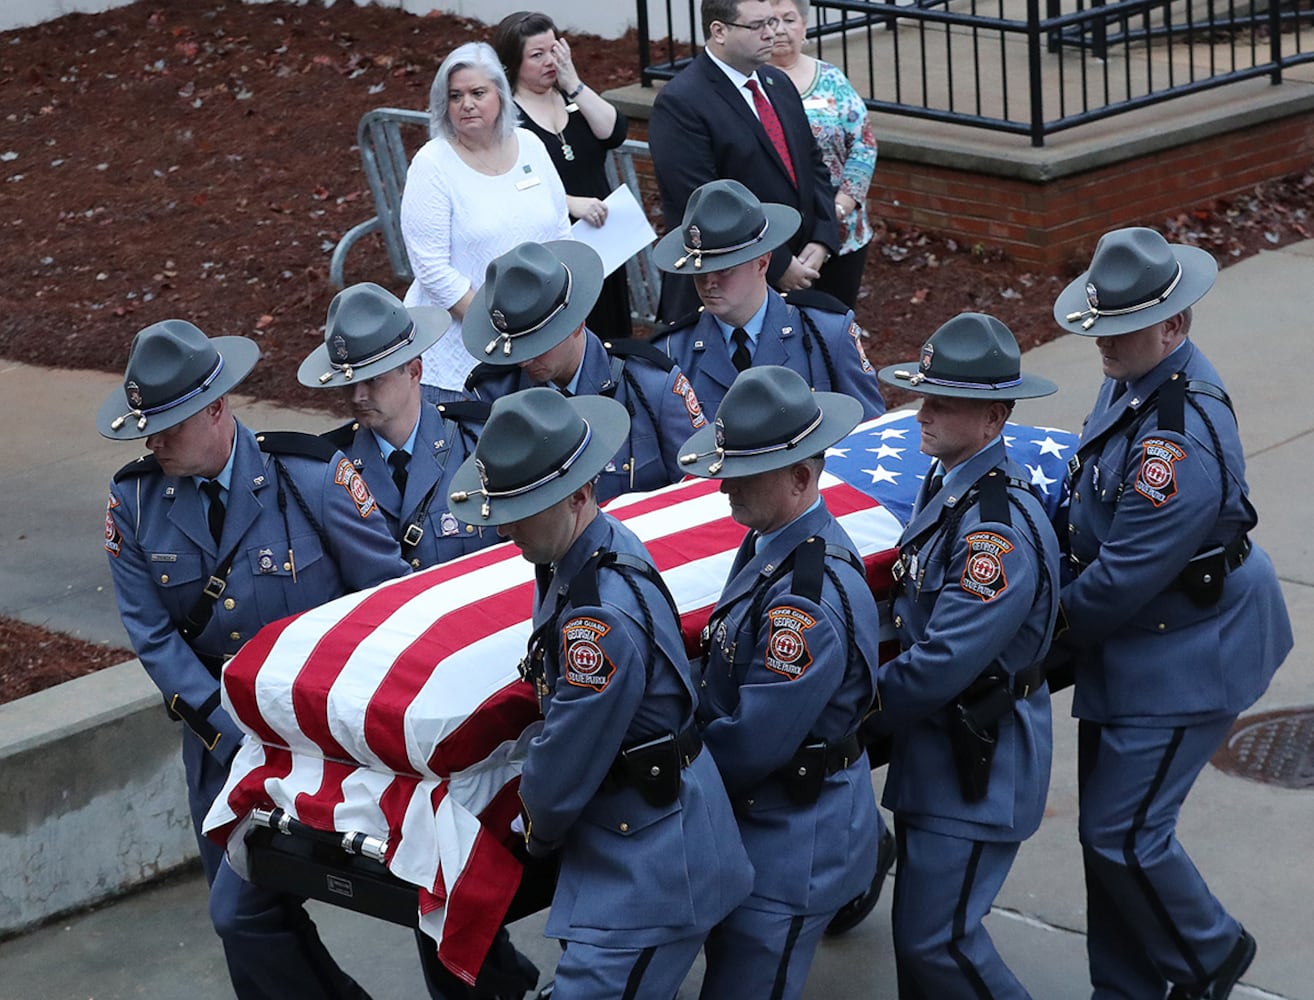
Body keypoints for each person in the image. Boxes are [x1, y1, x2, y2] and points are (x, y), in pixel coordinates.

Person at [99, 319, 410, 999]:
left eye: (168, 426)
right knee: (240, 916)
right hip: (224, 744)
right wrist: (232, 729)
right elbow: (153, 636)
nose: (152, 441)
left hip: (328, 737)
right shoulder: (135, 502)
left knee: (426, 893)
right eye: (146, 426)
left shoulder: (310, 476)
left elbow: (387, 601)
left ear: (216, 410)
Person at [447, 388, 754, 999]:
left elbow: (566, 754)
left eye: (522, 507)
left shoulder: (599, 617)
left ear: (579, 493)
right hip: (625, 840)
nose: (504, 526)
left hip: (649, 866)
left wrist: (532, 824)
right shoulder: (586, 553)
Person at [1051, 226, 1292, 999]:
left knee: (1124, 833)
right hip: (1142, 646)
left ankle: (1208, 957)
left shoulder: (1177, 440)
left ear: (1173, 325)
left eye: (1119, 328)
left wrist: (1037, 634)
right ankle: (1124, 989)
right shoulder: (1132, 379)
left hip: (1188, 651)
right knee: (1107, 842)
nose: (1103, 343)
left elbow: (1124, 575)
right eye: (1100, 324)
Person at [864, 312, 1060, 996]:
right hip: (943, 753)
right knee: (921, 948)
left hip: (978, 761)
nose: (925, 411)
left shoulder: (994, 533)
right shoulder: (950, 486)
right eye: (925, 394)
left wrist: (858, 705)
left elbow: (946, 655)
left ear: (995, 417)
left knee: (939, 941)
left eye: (946, 401)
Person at [678, 365, 887, 1000]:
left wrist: (665, 776)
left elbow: (753, 742)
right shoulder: (773, 543)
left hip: (792, 845)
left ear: (801, 477)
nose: (724, 489)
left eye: (744, 475)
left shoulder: (806, 598)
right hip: (770, 824)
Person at [462, 241, 706, 504]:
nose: (524, 361)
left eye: (538, 344)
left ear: (577, 324)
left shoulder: (650, 385)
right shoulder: (489, 396)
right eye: (517, 348)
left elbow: (696, 492)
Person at [648, 0, 840, 325]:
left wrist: (822, 237)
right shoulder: (680, 103)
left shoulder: (776, 83)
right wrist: (777, 264)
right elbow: (698, 201)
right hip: (727, 291)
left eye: (774, 22)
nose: (772, 34)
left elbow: (813, 165)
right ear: (719, 31)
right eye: (758, 26)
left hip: (806, 271)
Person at [400, 40, 570, 400]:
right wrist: (495, 326)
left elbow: (560, 233)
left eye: (478, 92)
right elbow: (430, 267)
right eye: (456, 96)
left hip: (538, 345)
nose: (466, 104)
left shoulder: (531, 145)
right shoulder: (432, 164)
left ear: (501, 95)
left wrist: (545, 322)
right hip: (459, 359)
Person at [649, 178, 885, 421]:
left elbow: (869, 430)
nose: (709, 283)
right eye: (700, 272)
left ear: (762, 263)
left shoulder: (827, 333)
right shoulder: (672, 352)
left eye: (724, 270)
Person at [299, 282, 496, 571]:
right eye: (349, 384)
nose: (358, 396)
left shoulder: (476, 443)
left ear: (414, 371)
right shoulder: (330, 470)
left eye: (373, 379)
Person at [493, 10, 634, 338]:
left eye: (554, 50)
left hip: (602, 239)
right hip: (551, 248)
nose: (549, 61)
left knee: (613, 333)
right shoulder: (507, 118)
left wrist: (573, 83)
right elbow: (506, 181)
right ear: (513, 62)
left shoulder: (573, 98)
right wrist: (568, 203)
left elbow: (614, 132)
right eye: (537, 55)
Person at [768, 0, 877, 308]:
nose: (780, 30)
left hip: (844, 232)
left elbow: (864, 143)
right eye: (770, 22)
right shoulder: (753, 84)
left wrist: (840, 207)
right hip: (781, 240)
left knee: (835, 327)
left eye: (789, 20)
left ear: (804, 26)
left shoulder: (831, 79)